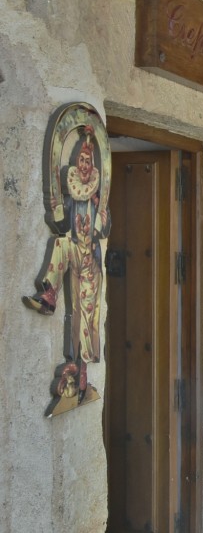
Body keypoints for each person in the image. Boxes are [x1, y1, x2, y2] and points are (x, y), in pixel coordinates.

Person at [24, 124, 110, 409]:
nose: (85, 165)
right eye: (81, 161)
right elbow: (60, 225)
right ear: (76, 164)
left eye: (88, 160)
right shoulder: (72, 195)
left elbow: (104, 229)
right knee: (60, 243)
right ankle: (49, 295)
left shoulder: (96, 197)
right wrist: (55, 205)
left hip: (90, 262)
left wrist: (103, 212)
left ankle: (81, 371)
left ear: (94, 164)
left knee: (84, 320)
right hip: (74, 251)